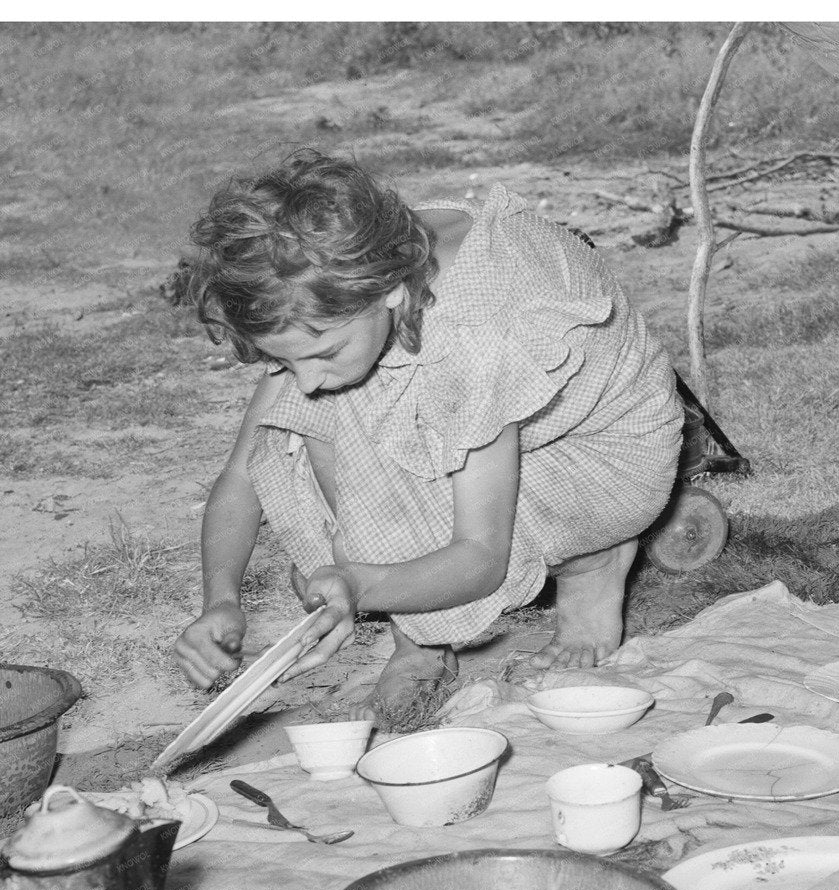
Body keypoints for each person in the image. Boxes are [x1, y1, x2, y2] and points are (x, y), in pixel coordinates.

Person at [172, 150, 683, 724]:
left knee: (369, 480)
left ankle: (586, 563)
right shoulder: (337, 270)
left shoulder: (469, 334)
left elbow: (481, 556)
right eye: (284, 362)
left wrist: (359, 583)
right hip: (521, 429)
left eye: (320, 355)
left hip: (607, 461)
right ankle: (420, 626)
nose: (306, 380)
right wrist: (221, 599)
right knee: (311, 423)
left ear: (388, 293)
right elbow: (244, 472)